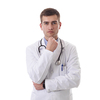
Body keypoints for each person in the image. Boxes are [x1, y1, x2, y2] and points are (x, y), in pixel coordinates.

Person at [26, 8, 81, 100]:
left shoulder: (70, 48)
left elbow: (75, 79)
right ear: (41, 26)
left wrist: (45, 84)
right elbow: (36, 78)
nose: (50, 27)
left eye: (54, 23)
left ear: (60, 25)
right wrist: (48, 51)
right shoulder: (31, 49)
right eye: (46, 23)